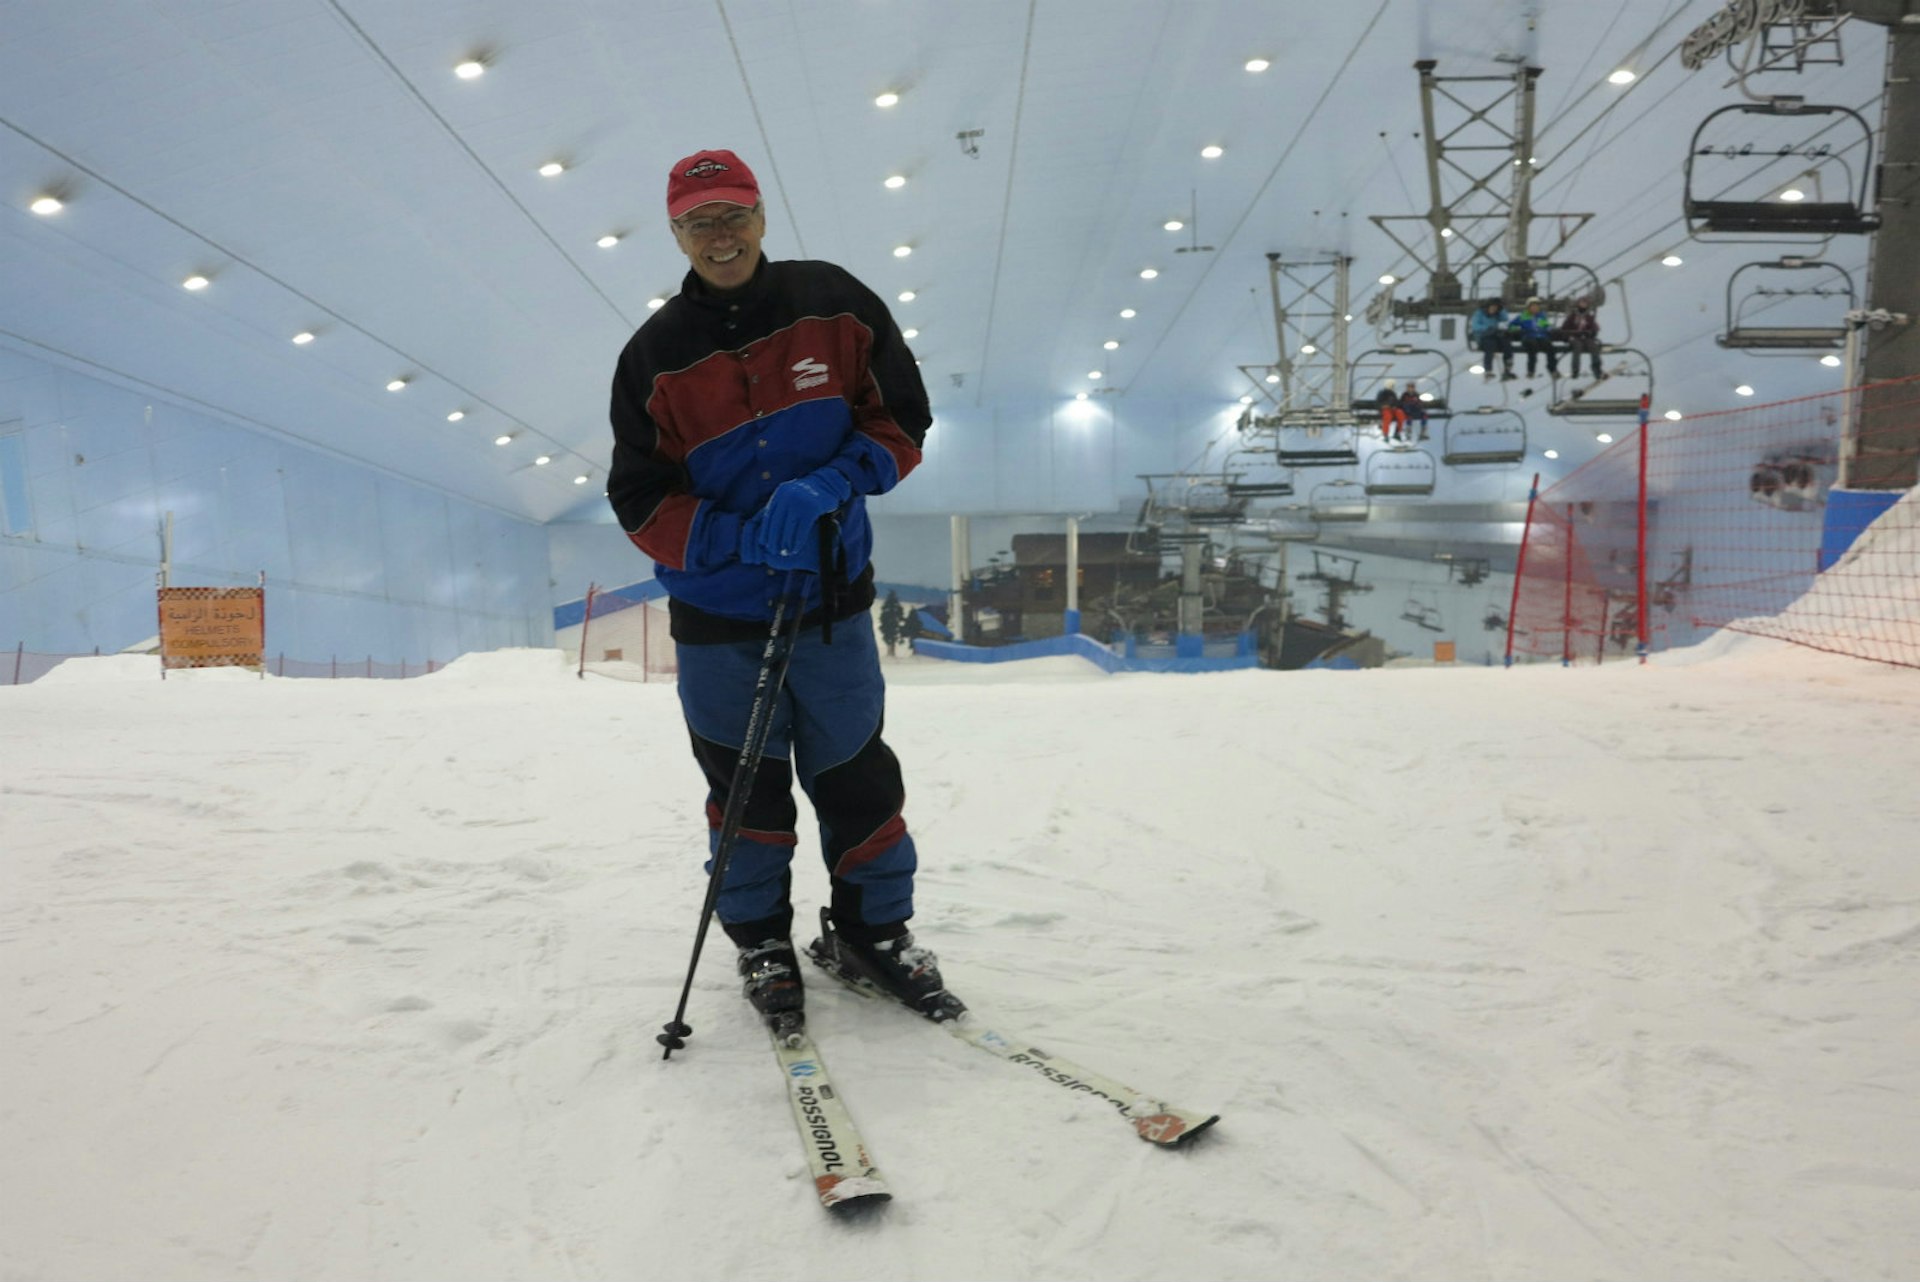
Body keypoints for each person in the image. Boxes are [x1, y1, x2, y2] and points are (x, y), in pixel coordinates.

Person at [606, 149, 954, 1035]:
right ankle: (762, 939)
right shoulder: (651, 357)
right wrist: (731, 536)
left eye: (733, 216)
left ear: (762, 216)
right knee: (746, 791)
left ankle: (874, 934)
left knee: (857, 779)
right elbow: (637, 497)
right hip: (721, 622)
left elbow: (901, 420)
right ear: (676, 233)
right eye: (698, 223)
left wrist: (831, 484)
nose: (719, 238)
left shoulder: (835, 302)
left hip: (831, 609)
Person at [1510, 297, 1559, 379]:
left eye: (1537, 306)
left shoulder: (1541, 316)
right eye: (1533, 306)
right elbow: (1512, 325)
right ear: (1528, 307)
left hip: (1541, 337)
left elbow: (1546, 325)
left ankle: (1552, 368)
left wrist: (1549, 328)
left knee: (1550, 347)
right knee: (1532, 347)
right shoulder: (1523, 316)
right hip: (1528, 336)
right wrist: (1517, 329)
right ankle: (1531, 371)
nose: (1535, 308)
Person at [1556, 295, 1602, 381]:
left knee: (1594, 346)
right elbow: (1564, 328)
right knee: (1577, 347)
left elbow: (1594, 327)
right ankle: (1575, 369)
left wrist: (1591, 332)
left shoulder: (1589, 317)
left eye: (1585, 304)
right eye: (1581, 303)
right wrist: (1568, 336)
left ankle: (1596, 367)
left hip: (1585, 337)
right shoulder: (1573, 316)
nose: (1583, 305)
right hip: (1574, 337)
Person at [1469, 300, 1514, 380]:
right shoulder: (1479, 314)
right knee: (1490, 345)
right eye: (1492, 308)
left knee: (1505, 342)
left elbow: (1505, 319)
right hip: (1483, 336)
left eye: (1496, 308)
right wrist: (1487, 328)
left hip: (1495, 335)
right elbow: (1475, 326)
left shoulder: (1497, 315)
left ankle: (1508, 366)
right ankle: (1488, 370)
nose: (1493, 310)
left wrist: (1501, 310)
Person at [1375, 378, 1408, 442]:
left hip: (1393, 409)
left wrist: (1395, 406)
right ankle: (1386, 435)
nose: (1392, 386)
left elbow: (1396, 402)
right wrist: (1384, 406)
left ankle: (1397, 432)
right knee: (1387, 417)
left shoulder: (1393, 393)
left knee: (1401, 414)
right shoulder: (1382, 393)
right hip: (1386, 409)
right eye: (1391, 385)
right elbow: (1378, 403)